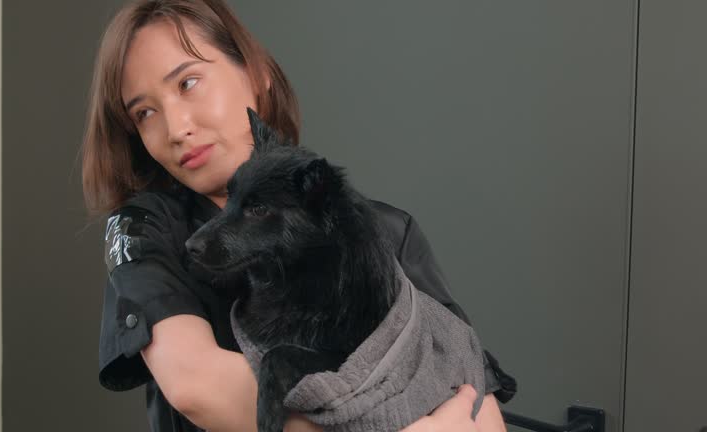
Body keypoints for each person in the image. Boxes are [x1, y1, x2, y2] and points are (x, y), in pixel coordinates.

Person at [81, 1, 517, 431]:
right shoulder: (144, 229)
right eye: (145, 112)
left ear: (256, 74)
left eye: (188, 82)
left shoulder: (387, 232)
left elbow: (475, 402)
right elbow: (197, 387)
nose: (176, 128)